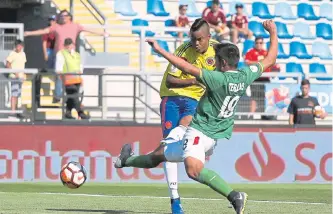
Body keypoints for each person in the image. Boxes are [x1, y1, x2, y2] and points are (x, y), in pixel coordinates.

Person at [114, 20, 278, 214]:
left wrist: (160, 50)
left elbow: (185, 66)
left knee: (192, 169)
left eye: (216, 60)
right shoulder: (245, 75)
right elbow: (270, 60)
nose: (213, 63)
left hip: (198, 133)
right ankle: (126, 160)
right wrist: (273, 33)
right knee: (157, 157)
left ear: (223, 63)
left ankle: (234, 195)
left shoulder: (216, 78)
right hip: (212, 137)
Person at [159, 18, 218, 214]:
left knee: (184, 135)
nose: (196, 43)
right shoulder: (183, 51)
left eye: (199, 39)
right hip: (172, 98)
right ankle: (175, 199)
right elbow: (169, 81)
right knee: (169, 143)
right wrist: (194, 79)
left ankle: (205, 150)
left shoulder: (218, 51)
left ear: (209, 37)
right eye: (193, 39)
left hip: (195, 101)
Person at [55, 38, 89, 120]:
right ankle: (81, 113)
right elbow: (58, 69)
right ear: (65, 45)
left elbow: (80, 67)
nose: (69, 47)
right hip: (68, 80)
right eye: (68, 45)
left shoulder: (76, 54)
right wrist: (62, 79)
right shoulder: (61, 54)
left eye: (70, 44)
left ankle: (68, 112)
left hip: (77, 80)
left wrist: (81, 79)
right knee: (74, 96)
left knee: (72, 97)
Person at [244, 36, 280, 113]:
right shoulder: (250, 52)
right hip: (255, 78)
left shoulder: (266, 53)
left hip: (266, 78)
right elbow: (247, 62)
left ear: (263, 43)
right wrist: (260, 62)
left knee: (266, 96)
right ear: (254, 43)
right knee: (254, 97)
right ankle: (251, 115)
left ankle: (266, 113)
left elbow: (272, 62)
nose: (258, 44)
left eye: (260, 43)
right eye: (257, 43)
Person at [6, 40, 27, 119]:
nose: (20, 47)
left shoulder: (23, 54)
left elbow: (23, 65)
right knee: (14, 94)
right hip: (14, 77)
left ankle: (18, 111)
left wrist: (23, 74)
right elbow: (8, 64)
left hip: (21, 77)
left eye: (21, 46)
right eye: (18, 46)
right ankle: (13, 111)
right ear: (15, 46)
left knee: (18, 94)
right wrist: (15, 73)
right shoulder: (12, 53)